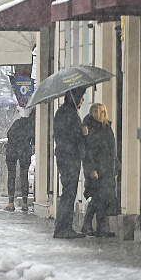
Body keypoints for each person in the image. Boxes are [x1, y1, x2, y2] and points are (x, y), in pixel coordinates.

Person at [53, 88, 87, 239]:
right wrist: (81, 131)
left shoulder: (64, 112)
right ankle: (63, 227)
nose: (82, 100)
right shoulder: (68, 113)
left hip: (66, 156)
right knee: (69, 192)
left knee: (69, 192)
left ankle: (64, 226)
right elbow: (68, 135)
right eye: (81, 97)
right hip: (69, 157)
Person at [81, 103, 119, 237]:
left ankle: (101, 228)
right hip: (98, 169)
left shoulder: (107, 127)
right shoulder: (90, 129)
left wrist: (116, 167)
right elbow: (89, 151)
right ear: (95, 113)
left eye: (105, 111)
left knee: (104, 199)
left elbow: (112, 150)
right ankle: (87, 224)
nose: (104, 114)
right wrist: (92, 169)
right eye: (101, 112)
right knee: (97, 197)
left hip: (108, 168)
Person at [4, 108, 35, 212]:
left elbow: (9, 134)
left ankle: (11, 202)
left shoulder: (18, 122)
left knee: (11, 175)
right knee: (24, 175)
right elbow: (34, 140)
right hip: (24, 150)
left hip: (12, 149)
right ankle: (25, 203)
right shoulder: (32, 126)